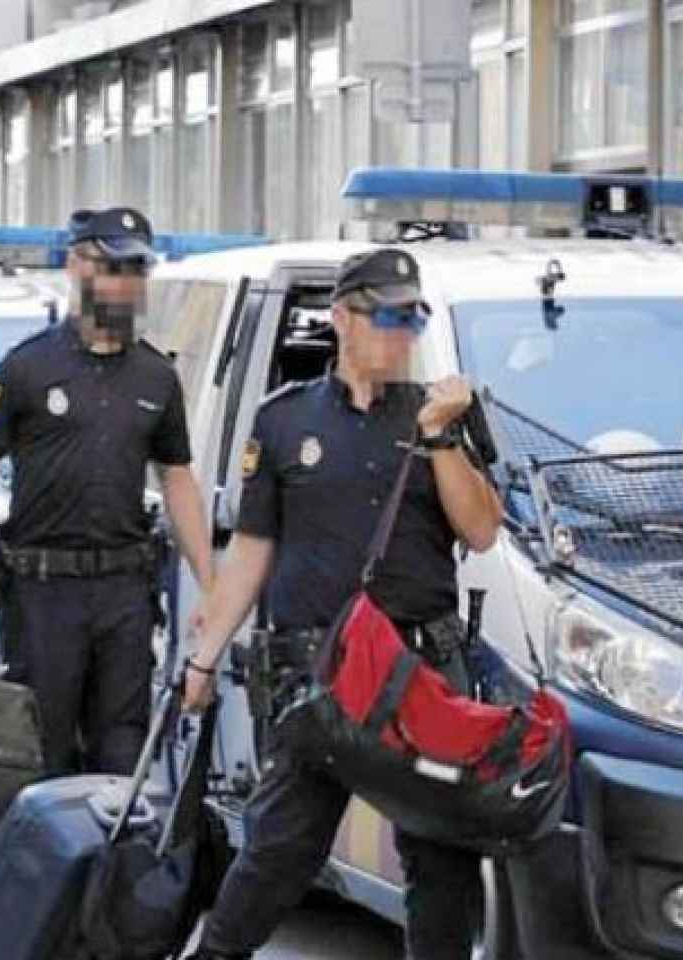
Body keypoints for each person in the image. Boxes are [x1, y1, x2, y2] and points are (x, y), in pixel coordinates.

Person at [179, 249, 504, 960]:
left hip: (420, 673)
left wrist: (443, 436)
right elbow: (252, 552)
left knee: (440, 858)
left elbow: (481, 530)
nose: (402, 331)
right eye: (387, 315)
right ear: (341, 319)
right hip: (320, 672)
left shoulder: (436, 415)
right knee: (278, 848)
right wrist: (203, 661)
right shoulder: (284, 421)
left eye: (412, 317)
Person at [0, 207, 215, 776]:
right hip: (44, 594)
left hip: (123, 590)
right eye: (112, 266)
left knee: (122, 756)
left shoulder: (156, 378)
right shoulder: (26, 369)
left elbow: (177, 480)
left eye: (136, 271)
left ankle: (111, 867)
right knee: (41, 754)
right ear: (76, 265)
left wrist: (211, 587)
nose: (125, 283)